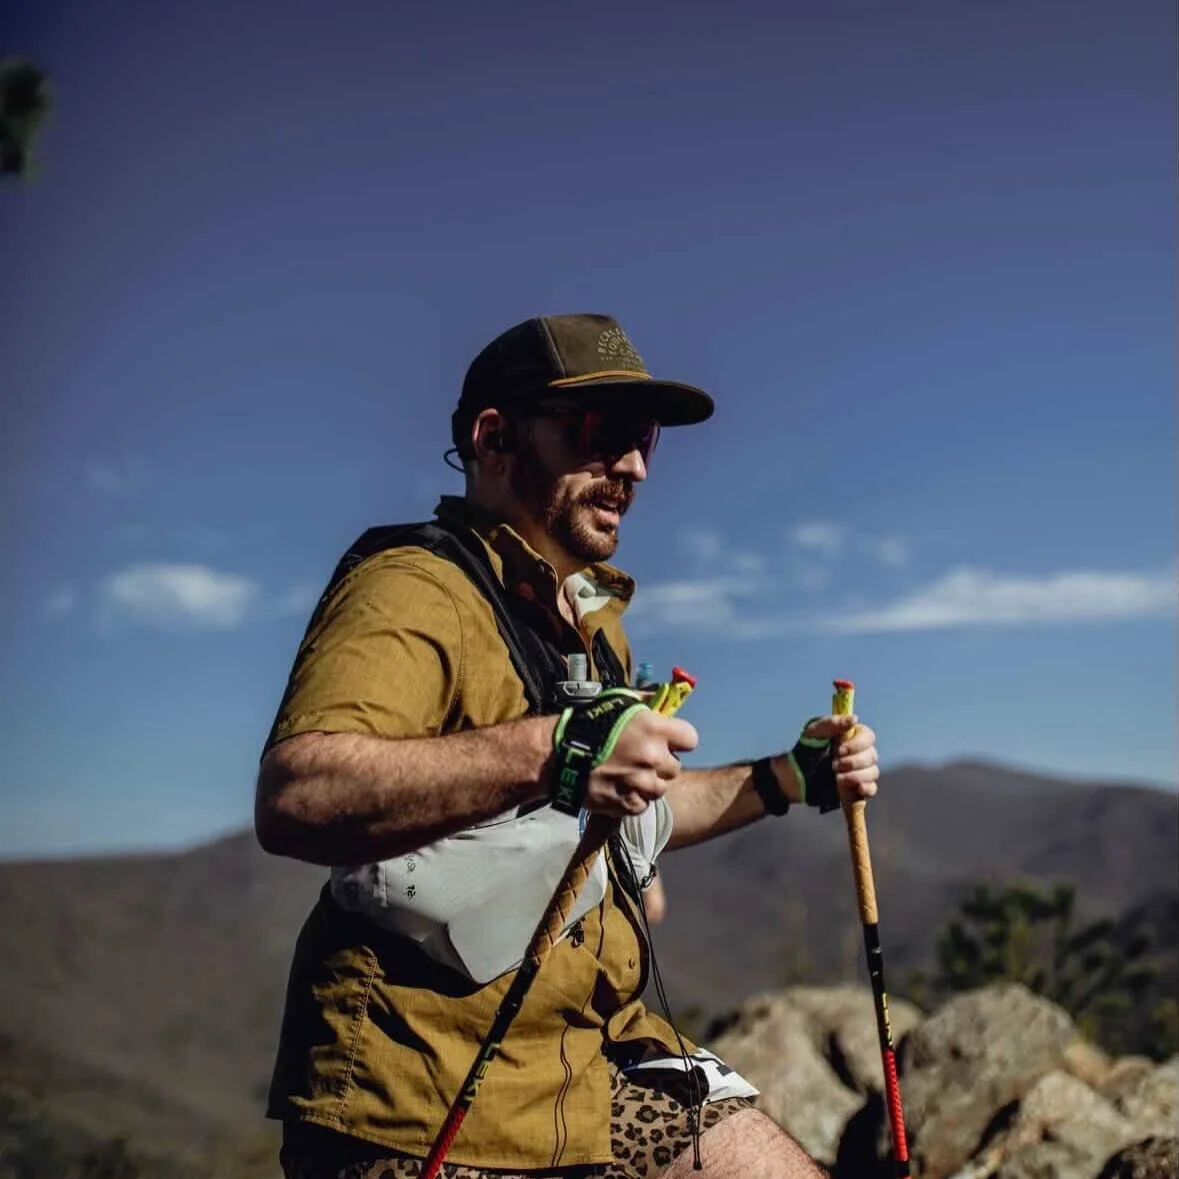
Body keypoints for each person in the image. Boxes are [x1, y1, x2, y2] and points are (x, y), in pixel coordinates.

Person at [255, 313, 880, 1179]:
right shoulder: (411, 585)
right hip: (424, 1093)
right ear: (494, 437)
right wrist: (556, 747)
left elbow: (635, 811)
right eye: (599, 433)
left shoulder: (587, 628)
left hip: (594, 1059)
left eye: (644, 439)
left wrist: (787, 777)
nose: (631, 465)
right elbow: (297, 794)